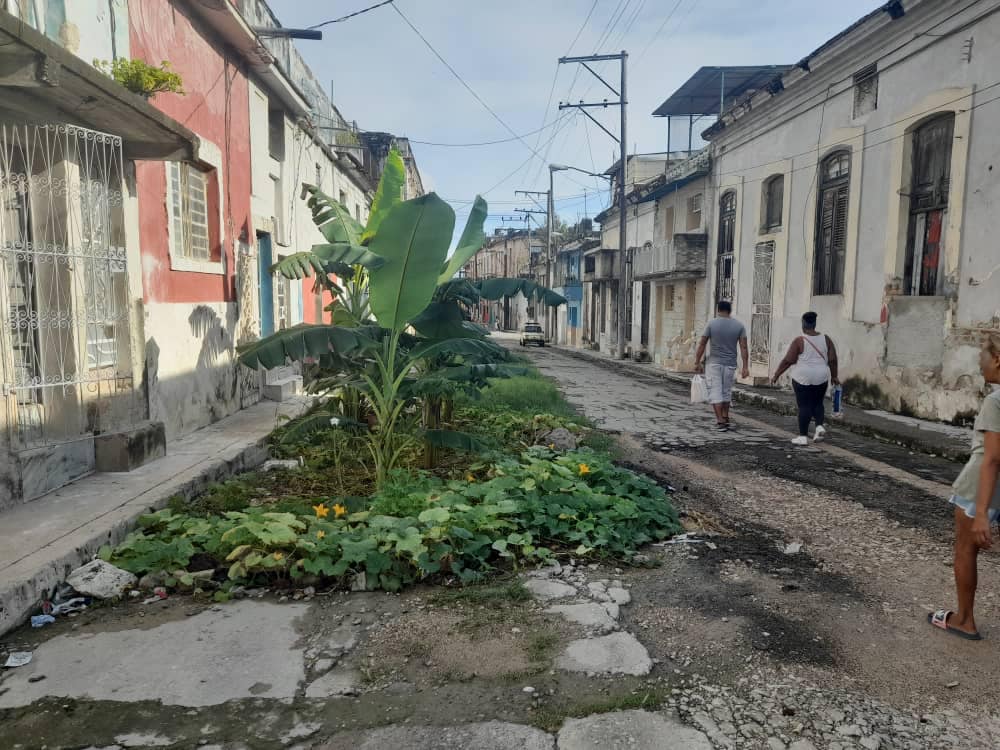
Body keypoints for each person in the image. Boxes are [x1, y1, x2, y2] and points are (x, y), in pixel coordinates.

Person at [929, 334, 1000, 641]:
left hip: (981, 486)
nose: (979, 363)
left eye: (982, 356)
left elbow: (992, 459)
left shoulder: (995, 401)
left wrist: (982, 512)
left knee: (965, 549)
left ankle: (964, 620)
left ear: (997, 359)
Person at [770, 311, 839, 445]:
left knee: (804, 405)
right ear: (815, 324)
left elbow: (788, 361)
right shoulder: (826, 339)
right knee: (818, 403)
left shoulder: (799, 340)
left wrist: (777, 374)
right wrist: (834, 376)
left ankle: (802, 437)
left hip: (803, 377)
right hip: (821, 376)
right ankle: (819, 426)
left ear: (803, 324)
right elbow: (832, 360)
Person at [694, 300, 749, 431]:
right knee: (726, 391)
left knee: (715, 391)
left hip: (713, 364)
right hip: (730, 364)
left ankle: (720, 421)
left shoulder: (711, 323)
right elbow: (744, 347)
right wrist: (745, 367)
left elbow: (702, 343)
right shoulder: (739, 326)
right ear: (730, 310)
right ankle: (725, 416)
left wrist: (697, 361)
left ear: (718, 310)